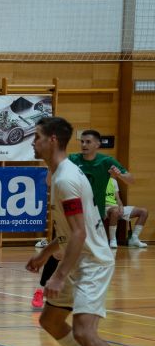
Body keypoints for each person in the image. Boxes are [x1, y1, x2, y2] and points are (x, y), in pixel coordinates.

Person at [27, 116, 148, 346]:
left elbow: (80, 233)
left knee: (84, 331)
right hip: (76, 258)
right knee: (50, 320)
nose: (33, 142)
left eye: (37, 136)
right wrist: (46, 254)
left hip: (92, 263)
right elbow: (70, 231)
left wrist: (58, 275)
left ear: (52, 139)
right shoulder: (58, 174)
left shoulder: (66, 179)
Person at [31, 129, 134, 308]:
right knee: (58, 252)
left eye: (88, 142)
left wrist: (120, 175)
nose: (84, 145)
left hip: (93, 217)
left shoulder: (106, 161)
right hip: (70, 215)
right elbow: (49, 181)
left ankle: (78, 296)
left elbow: (131, 179)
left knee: (87, 256)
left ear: (97, 144)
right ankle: (42, 290)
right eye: (82, 141)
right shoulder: (72, 160)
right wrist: (51, 168)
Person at [105, 178, 148, 248]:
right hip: (104, 208)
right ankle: (112, 240)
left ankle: (134, 239)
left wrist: (121, 207)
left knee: (144, 211)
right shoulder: (96, 180)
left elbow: (118, 199)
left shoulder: (113, 181)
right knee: (115, 211)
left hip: (115, 207)